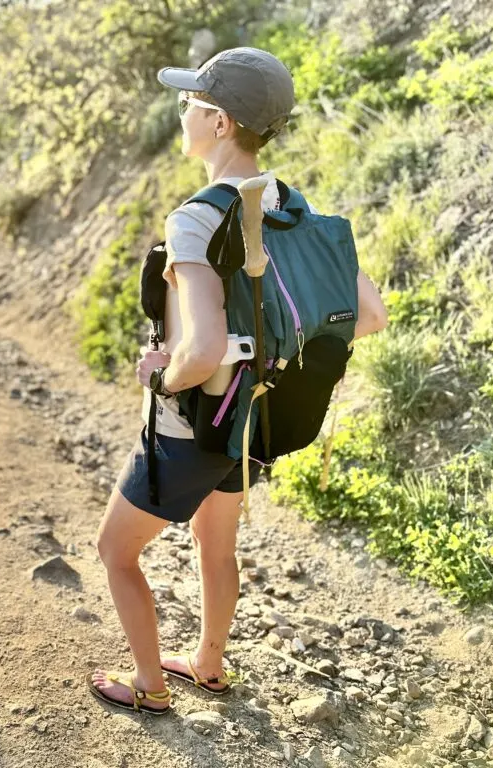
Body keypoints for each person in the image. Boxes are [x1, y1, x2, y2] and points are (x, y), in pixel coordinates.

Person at [88, 47, 389, 715]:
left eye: (191, 102)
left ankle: (149, 686)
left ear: (220, 123)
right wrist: (270, 356)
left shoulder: (198, 218)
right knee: (215, 539)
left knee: (114, 550)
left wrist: (164, 379)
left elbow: (199, 352)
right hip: (260, 418)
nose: (184, 112)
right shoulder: (297, 211)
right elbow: (370, 316)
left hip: (197, 422)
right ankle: (209, 665)